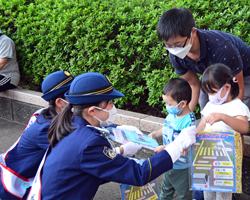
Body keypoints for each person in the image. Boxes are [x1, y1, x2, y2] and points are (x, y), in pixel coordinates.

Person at [26, 72, 197, 200]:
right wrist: (177, 146)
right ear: (92, 111)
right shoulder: (88, 142)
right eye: (110, 103)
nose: (113, 107)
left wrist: (120, 155)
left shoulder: (70, 124)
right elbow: (139, 174)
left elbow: (90, 168)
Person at [157, 8, 250, 115]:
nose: (174, 49)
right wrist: (185, 118)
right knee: (205, 108)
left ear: (193, 33)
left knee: (239, 115)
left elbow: (238, 90)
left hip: (242, 73)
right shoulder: (174, 55)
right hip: (210, 72)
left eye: (178, 44)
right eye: (168, 45)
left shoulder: (222, 48)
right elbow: (194, 84)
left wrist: (228, 120)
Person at [0, 71, 74, 200]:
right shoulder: (48, 128)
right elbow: (74, 157)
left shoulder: (44, 113)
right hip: (16, 184)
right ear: (59, 102)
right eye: (73, 94)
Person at [196, 63, 250, 200]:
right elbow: (201, 128)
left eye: (213, 92)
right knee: (207, 192)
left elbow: (244, 128)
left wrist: (222, 117)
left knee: (223, 195)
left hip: (225, 161)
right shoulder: (210, 105)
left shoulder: (237, 106)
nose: (210, 96)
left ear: (227, 87)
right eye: (208, 93)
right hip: (207, 157)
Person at [148, 78, 196, 200]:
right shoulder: (172, 114)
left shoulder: (189, 121)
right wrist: (155, 134)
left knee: (183, 194)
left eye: (170, 104)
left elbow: (182, 143)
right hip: (167, 161)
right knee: (166, 190)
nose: (167, 107)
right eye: (166, 103)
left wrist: (164, 148)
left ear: (183, 103)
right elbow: (165, 128)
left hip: (181, 166)